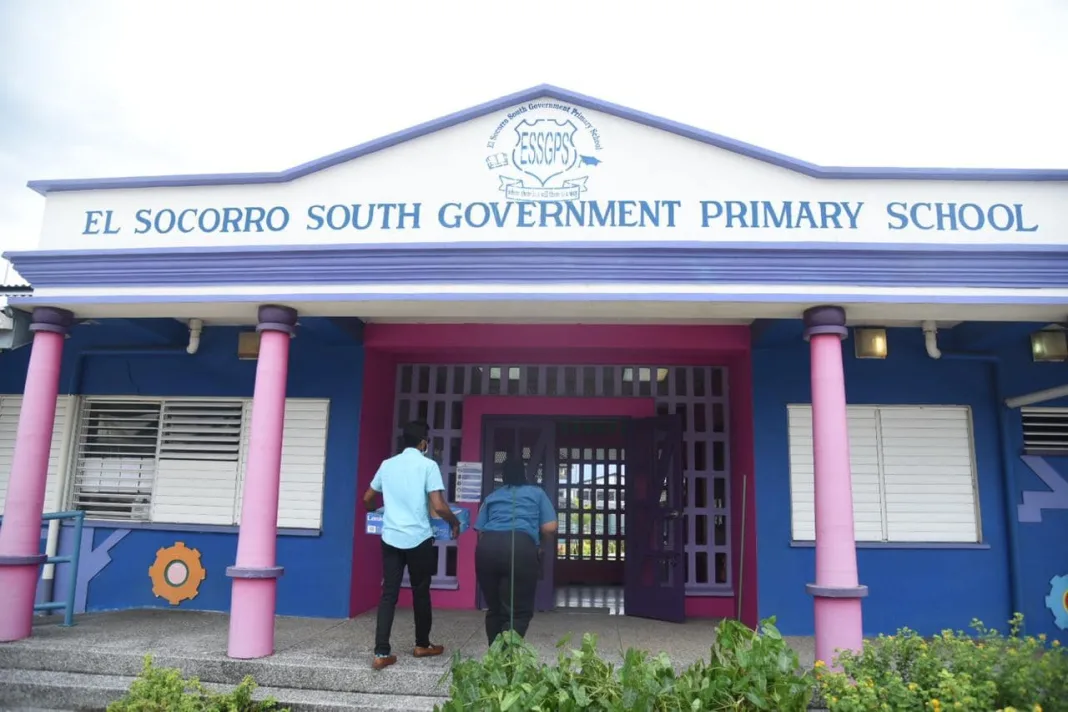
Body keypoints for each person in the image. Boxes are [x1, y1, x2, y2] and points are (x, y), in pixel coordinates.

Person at [363, 420, 462, 671]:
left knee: (389, 595)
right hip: (419, 539)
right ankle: (422, 644)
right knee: (420, 591)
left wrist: (376, 513)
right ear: (422, 442)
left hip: (391, 538)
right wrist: (454, 521)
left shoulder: (387, 465)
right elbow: (438, 506)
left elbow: (367, 498)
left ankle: (381, 652)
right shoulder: (428, 465)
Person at [473, 458, 558, 646]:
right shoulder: (537, 493)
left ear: (503, 476)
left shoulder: (493, 496)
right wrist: (541, 545)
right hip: (520, 548)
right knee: (518, 612)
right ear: (525, 474)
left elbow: (480, 530)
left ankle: (494, 658)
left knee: (495, 609)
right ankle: (506, 659)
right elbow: (550, 527)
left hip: (487, 549)